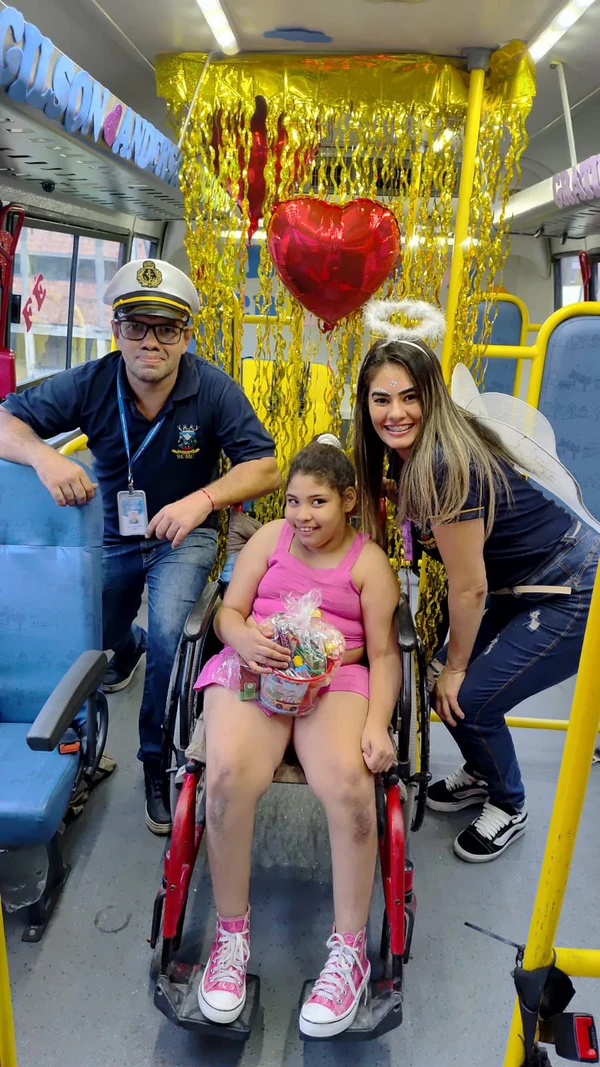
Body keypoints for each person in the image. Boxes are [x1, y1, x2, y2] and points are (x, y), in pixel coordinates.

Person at [0, 258, 280, 835]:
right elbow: (6, 422)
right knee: (90, 635)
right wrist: (45, 457)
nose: (151, 342)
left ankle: (157, 761)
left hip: (185, 536)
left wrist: (203, 500)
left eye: (167, 329)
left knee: (171, 635)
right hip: (111, 535)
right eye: (136, 326)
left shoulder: (212, 388)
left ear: (186, 336)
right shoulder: (91, 381)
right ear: (116, 331)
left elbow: (266, 466)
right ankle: (122, 652)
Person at [354, 332, 600, 863]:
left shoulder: (442, 463)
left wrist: (458, 666)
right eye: (381, 399)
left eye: (410, 397)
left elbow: (469, 587)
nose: (396, 412)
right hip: (524, 582)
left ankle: (509, 804)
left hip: (571, 586)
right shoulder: (407, 454)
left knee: (467, 697)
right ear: (365, 404)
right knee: (436, 677)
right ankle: (482, 770)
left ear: (432, 397)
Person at [190, 443, 401, 1036]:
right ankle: (230, 940)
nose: (302, 515)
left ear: (349, 500)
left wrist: (378, 723)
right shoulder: (269, 540)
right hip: (256, 666)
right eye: (293, 501)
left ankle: (349, 952)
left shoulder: (368, 564)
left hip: (335, 679)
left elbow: (385, 654)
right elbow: (230, 612)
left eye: (318, 502)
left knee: (352, 792)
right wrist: (242, 639)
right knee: (226, 780)